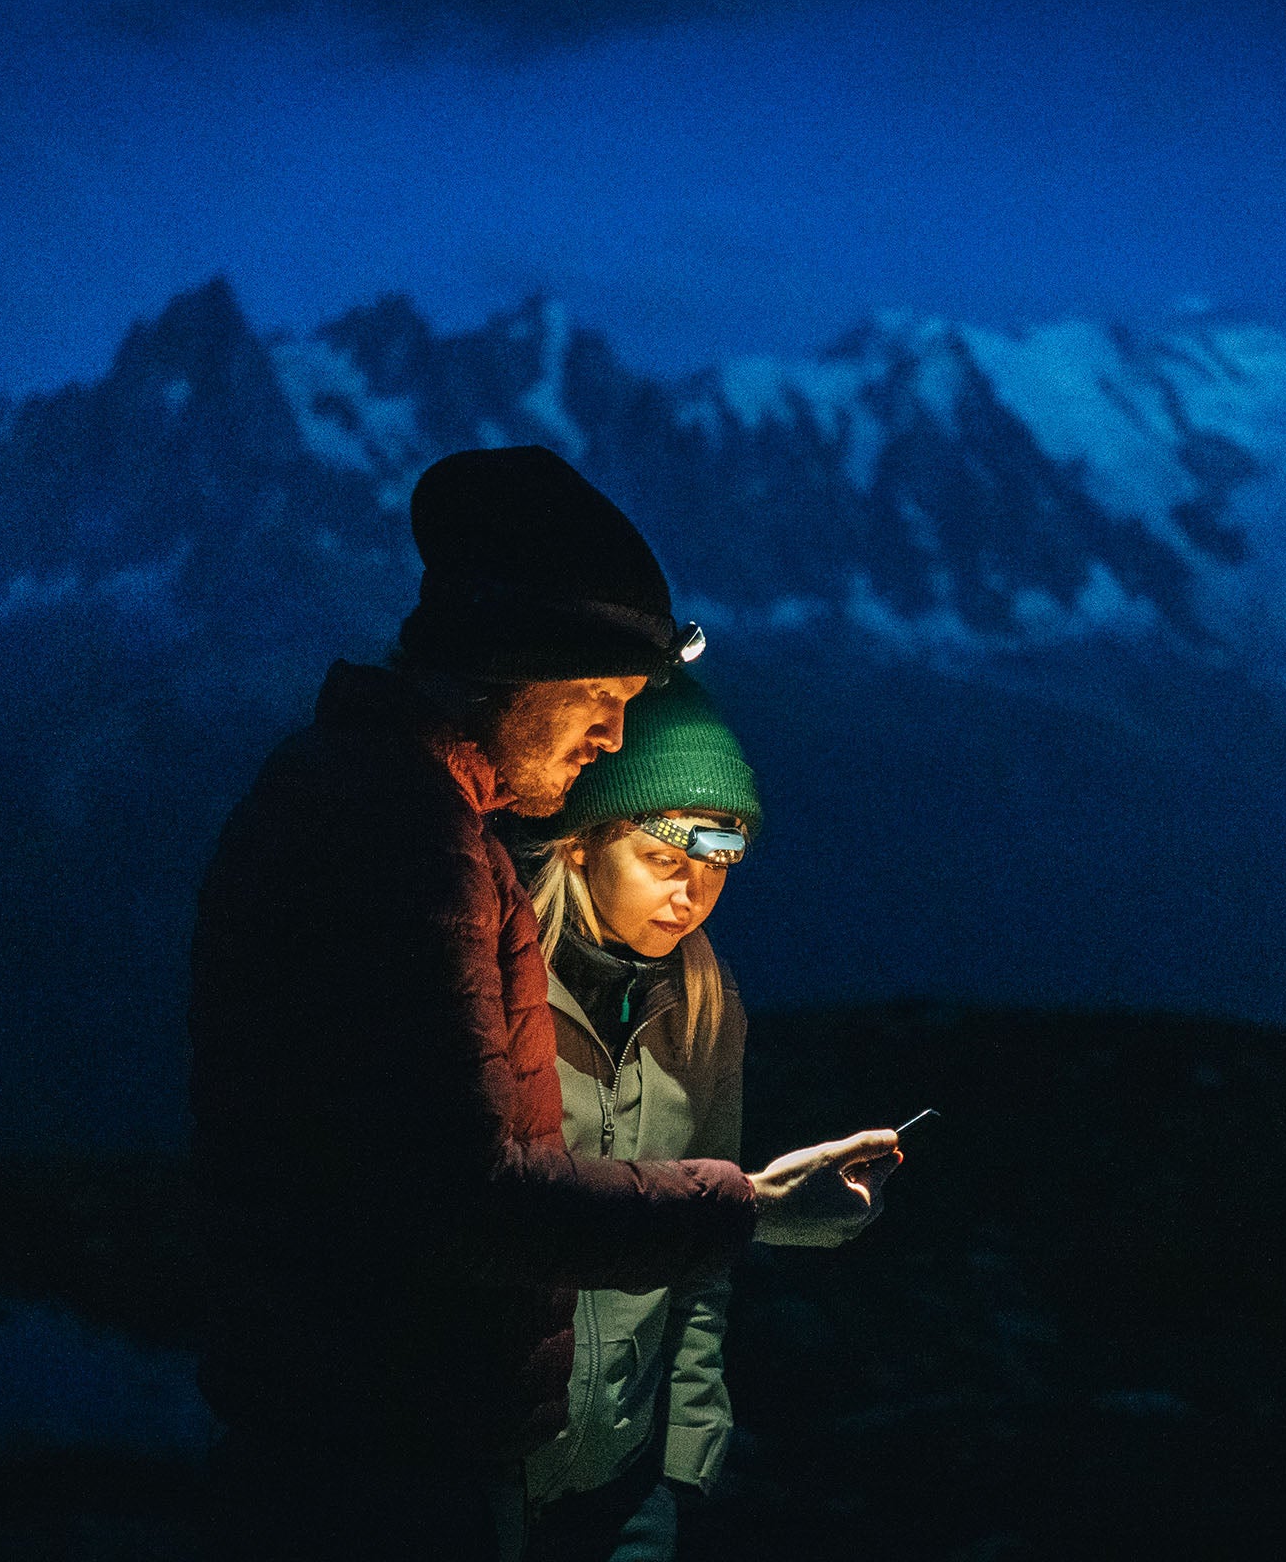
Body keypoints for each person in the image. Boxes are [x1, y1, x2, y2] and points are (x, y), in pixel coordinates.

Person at [188, 445, 900, 1562]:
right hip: (379, 1470)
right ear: (517, 669)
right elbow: (463, 1197)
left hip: (380, 1443)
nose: (615, 736)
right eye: (606, 698)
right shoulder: (399, 837)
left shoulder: (391, 806)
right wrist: (752, 1207)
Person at [517, 674, 766, 1561]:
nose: (692, 897)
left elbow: (706, 1259)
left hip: (626, 1476)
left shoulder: (704, 1005)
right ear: (581, 844)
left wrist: (682, 1461)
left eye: (716, 870)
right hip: (487, 1466)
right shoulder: (502, 991)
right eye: (665, 861)